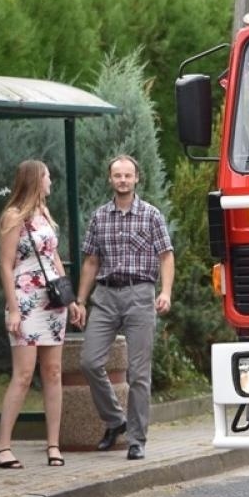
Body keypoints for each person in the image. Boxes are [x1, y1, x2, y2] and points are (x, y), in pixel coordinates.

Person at [71, 155, 175, 461]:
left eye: (128, 175)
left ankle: (137, 439)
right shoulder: (99, 217)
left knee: (139, 373)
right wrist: (80, 300)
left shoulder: (151, 215)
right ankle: (116, 420)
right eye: (117, 175)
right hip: (105, 296)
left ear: (136, 179)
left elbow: (166, 256)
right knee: (89, 362)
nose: (123, 180)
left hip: (140, 295)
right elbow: (91, 261)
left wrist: (165, 292)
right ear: (110, 180)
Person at [0, 160, 69, 469]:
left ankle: (53, 445)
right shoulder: (14, 217)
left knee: (53, 372)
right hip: (26, 301)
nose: (51, 181)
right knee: (23, 375)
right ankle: (3, 447)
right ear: (36, 180)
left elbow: (54, 257)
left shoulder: (45, 215)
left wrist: (71, 297)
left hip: (52, 302)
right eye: (48, 176)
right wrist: (12, 308)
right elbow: (6, 265)